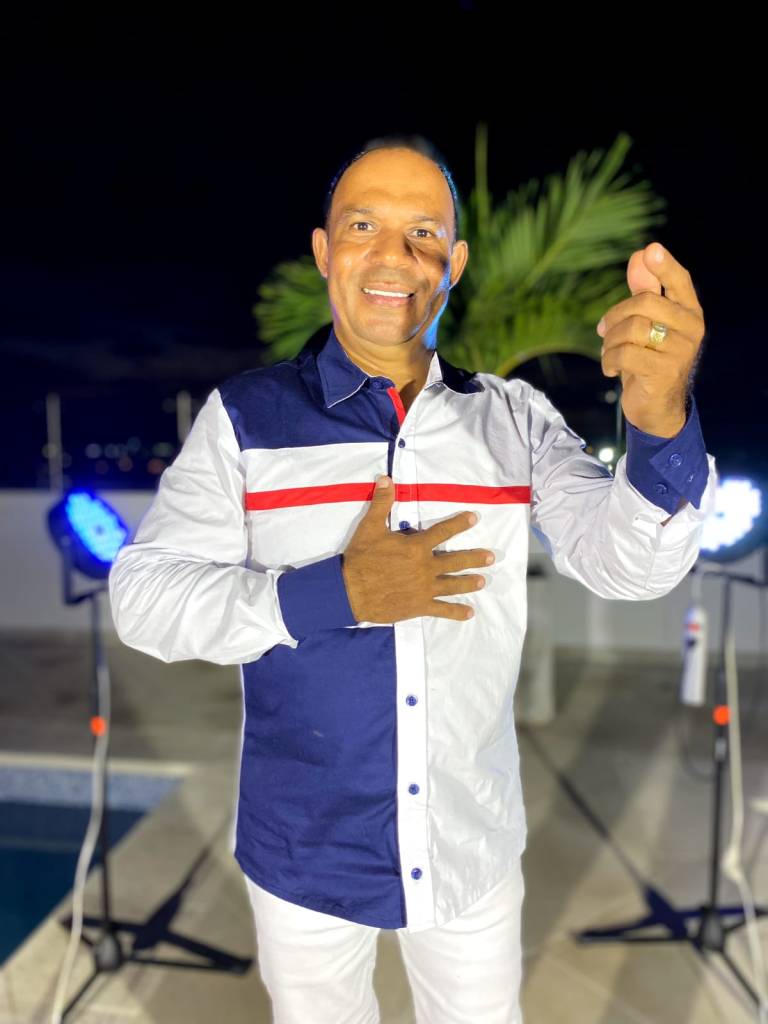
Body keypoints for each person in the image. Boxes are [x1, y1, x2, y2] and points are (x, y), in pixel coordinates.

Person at [108, 134, 717, 1023]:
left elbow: (630, 566)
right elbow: (143, 599)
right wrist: (335, 593)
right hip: (302, 848)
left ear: (455, 263)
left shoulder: (514, 419)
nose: (394, 255)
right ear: (325, 251)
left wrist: (660, 422)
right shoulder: (245, 419)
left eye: (424, 232)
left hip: (468, 842)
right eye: (363, 226)